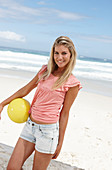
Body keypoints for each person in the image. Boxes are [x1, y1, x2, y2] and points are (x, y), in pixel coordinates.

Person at [0, 36, 82, 170]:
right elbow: (25, 89)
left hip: (48, 133)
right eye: (56, 53)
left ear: (71, 55)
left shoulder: (72, 83)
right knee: (12, 168)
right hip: (30, 127)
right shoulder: (45, 71)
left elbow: (65, 113)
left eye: (64, 53)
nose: (59, 57)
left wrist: (60, 143)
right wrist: (3, 103)